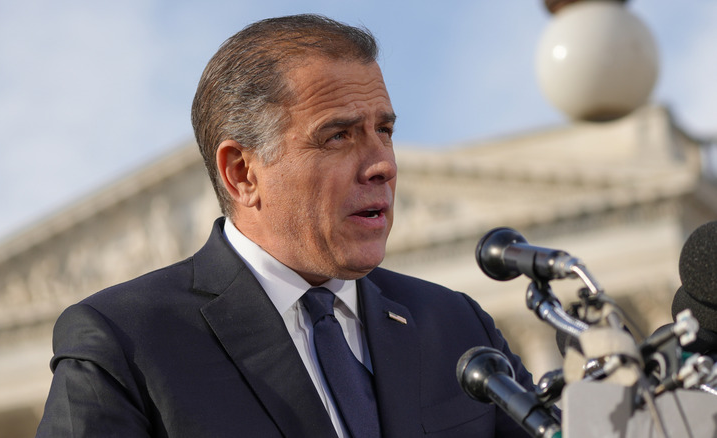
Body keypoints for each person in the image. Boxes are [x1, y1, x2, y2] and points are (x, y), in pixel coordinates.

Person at [36, 14, 536, 438]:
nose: (382, 163)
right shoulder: (124, 343)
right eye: (338, 136)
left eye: (384, 130)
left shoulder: (454, 324)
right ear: (242, 173)